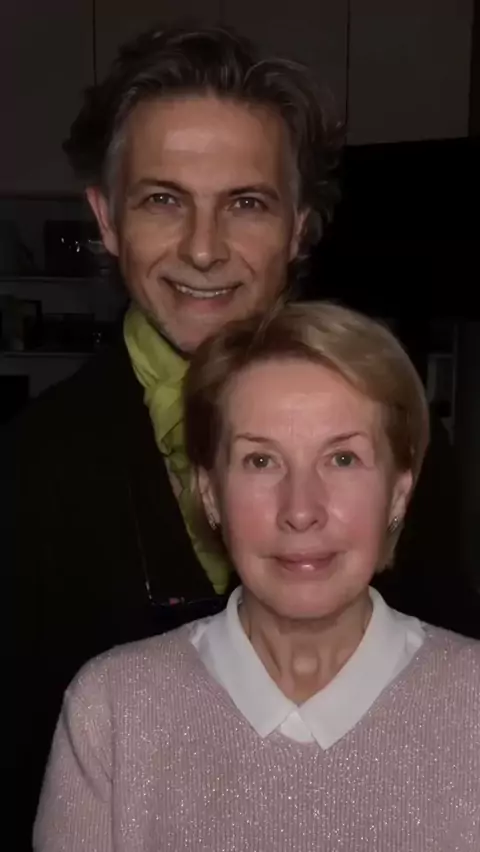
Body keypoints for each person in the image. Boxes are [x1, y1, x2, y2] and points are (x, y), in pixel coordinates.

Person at [3, 22, 478, 851]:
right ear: (106, 218)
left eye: (247, 203)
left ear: (299, 226)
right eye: (163, 200)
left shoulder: (406, 436)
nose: (203, 248)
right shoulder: (25, 468)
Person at [34, 302, 480, 851]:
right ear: (210, 494)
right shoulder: (112, 710)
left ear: (398, 493)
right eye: (260, 461)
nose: (301, 510)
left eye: (342, 459)